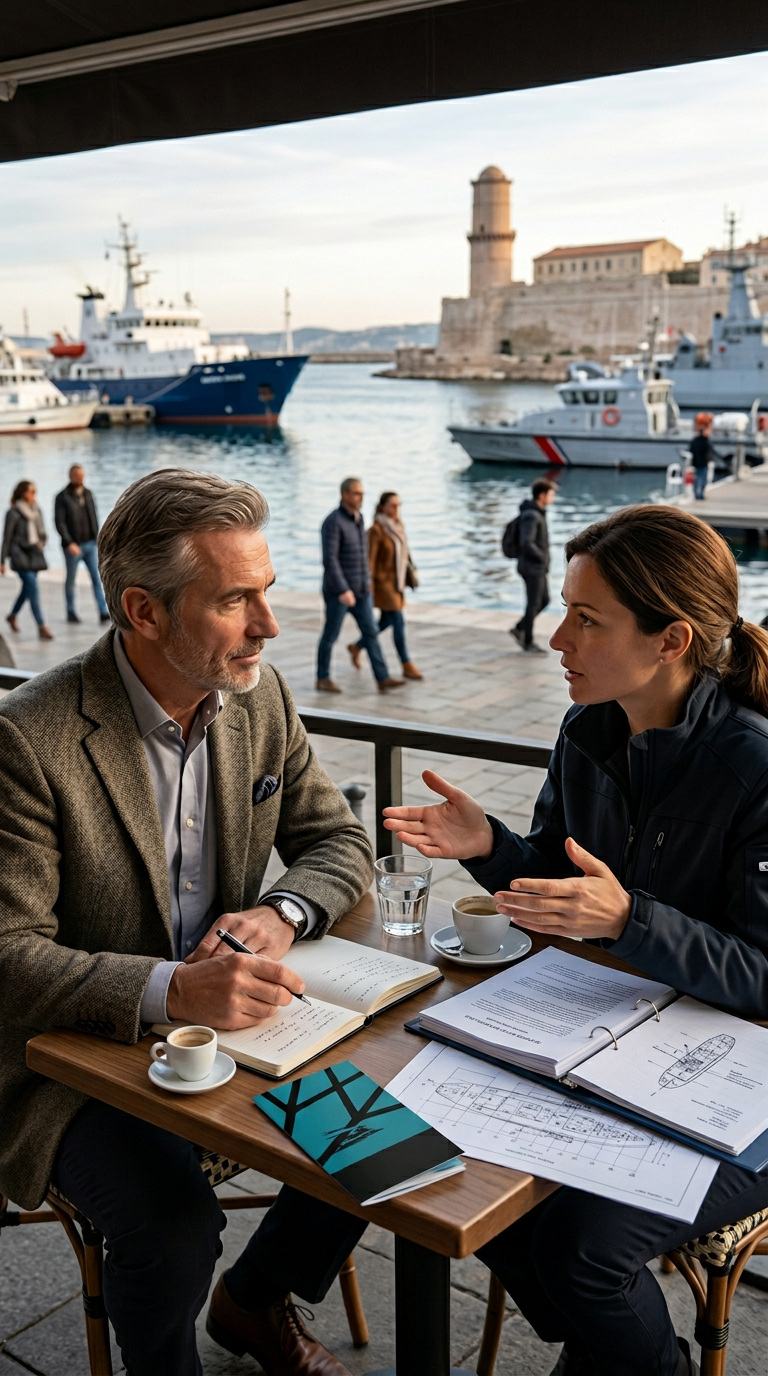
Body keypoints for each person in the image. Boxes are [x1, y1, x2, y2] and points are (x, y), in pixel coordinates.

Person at [0, 468, 374, 1376]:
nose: (270, 625)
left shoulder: (261, 696)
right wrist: (173, 988)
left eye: (267, 593)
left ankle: (251, 1303)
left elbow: (340, 844)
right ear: (145, 610)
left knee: (382, 1143)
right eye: (236, 600)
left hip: (241, 1029)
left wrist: (281, 912)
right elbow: (9, 958)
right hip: (72, 1055)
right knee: (171, 1229)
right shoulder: (26, 738)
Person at [382, 504, 768, 1376]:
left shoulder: (755, 764)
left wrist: (630, 920)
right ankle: (613, 1355)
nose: (558, 637)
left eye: (586, 620)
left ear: (670, 640)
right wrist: (490, 849)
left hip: (741, 1082)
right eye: (563, 608)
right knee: (444, 1171)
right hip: (615, 1040)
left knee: (579, 1252)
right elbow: (565, 896)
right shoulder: (587, 731)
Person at [316, 476, 403, 693]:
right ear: (345, 495)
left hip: (362, 591)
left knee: (371, 632)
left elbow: (364, 555)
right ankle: (323, 677)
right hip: (339, 593)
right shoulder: (333, 522)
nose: (361, 497)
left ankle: (382, 678)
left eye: (362, 493)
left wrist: (367, 582)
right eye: (356, 493)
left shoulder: (360, 519)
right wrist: (343, 589)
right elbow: (330, 559)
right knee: (331, 635)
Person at [351, 490, 422, 680]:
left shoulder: (398, 526)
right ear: (383, 507)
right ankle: (406, 663)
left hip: (396, 584)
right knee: (398, 621)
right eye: (393, 505)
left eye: (398, 505)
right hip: (383, 585)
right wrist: (369, 583)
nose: (396, 509)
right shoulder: (376, 530)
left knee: (385, 622)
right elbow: (370, 560)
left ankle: (357, 646)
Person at [55, 463, 111, 624]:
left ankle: (102, 610)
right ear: (71, 476)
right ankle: (71, 610)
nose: (80, 478)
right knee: (71, 579)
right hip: (73, 546)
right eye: (77, 476)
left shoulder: (88, 494)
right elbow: (60, 523)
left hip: (90, 544)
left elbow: (93, 516)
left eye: (82, 475)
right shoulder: (62, 497)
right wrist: (69, 542)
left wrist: (98, 538)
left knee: (96, 577)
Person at [1, 479, 54, 640]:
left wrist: (42, 542)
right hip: (19, 557)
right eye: (31, 492)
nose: (34, 495)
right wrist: (2, 561)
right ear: (23, 493)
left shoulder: (36, 510)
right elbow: (7, 538)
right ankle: (41, 626)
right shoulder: (13, 512)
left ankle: (12, 615)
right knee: (33, 588)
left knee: (27, 590)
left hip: (34, 555)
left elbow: (42, 532)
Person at [510, 477, 556, 654]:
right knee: (533, 603)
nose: (552, 498)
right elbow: (526, 542)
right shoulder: (532, 515)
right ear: (542, 495)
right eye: (551, 494)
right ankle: (528, 641)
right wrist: (542, 558)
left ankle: (520, 628)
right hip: (532, 567)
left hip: (535, 566)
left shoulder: (537, 513)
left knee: (544, 600)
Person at [690, 415, 714, 501]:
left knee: (704, 480)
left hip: (704, 463)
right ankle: (698, 495)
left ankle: (700, 494)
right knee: (699, 480)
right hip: (699, 463)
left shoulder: (705, 441)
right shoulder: (698, 441)